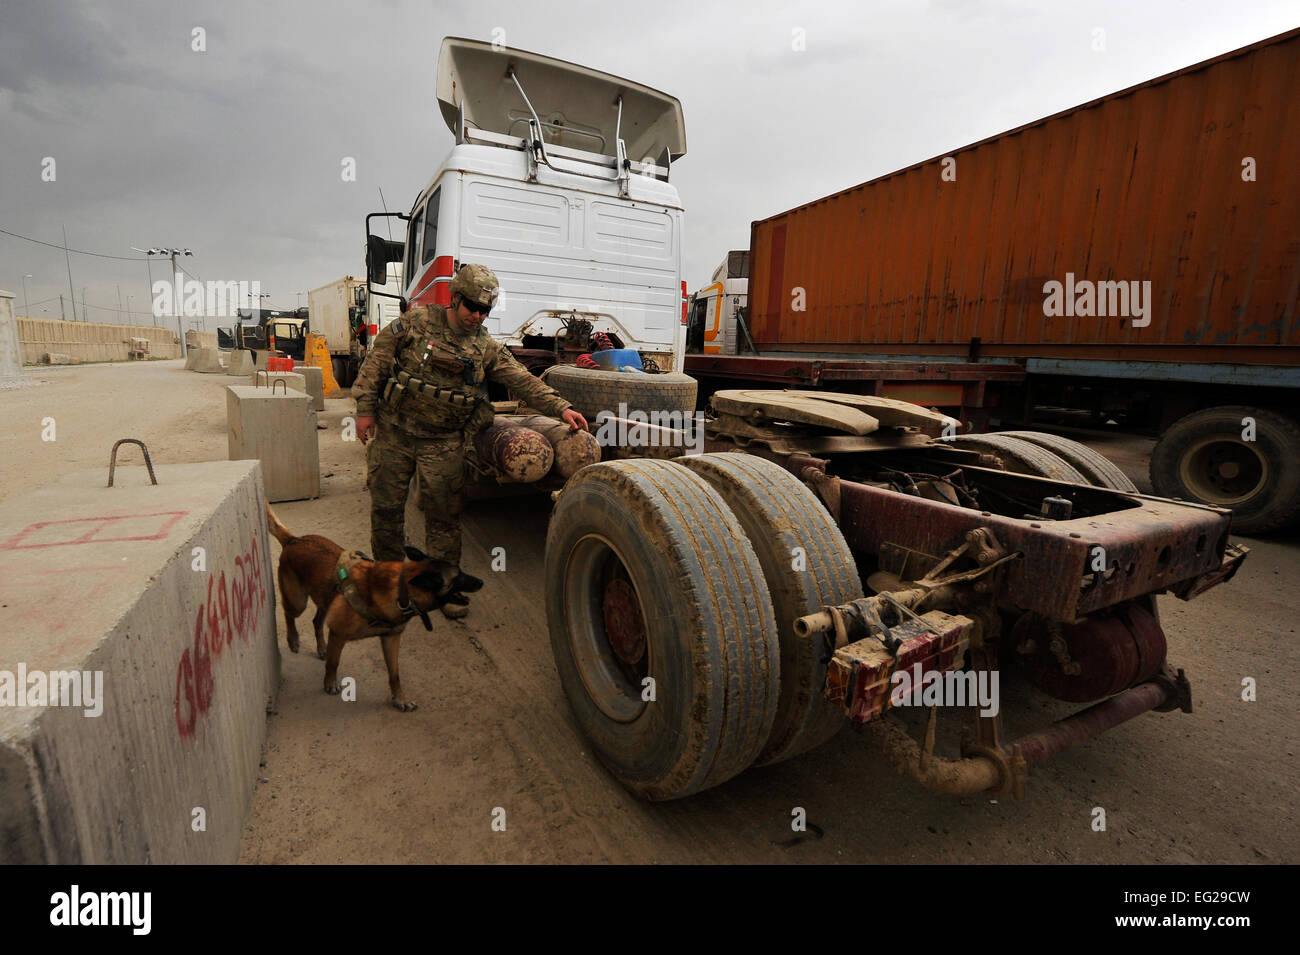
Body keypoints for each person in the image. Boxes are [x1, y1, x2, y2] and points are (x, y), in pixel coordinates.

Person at [351, 264, 588, 617]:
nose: (477, 316)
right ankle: (387, 585)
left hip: (443, 442)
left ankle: (441, 589)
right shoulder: (414, 324)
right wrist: (365, 411)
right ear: (455, 298)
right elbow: (376, 364)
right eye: (471, 307)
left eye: (484, 310)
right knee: (386, 511)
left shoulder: (485, 347)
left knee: (444, 519)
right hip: (394, 434)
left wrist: (562, 408)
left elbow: (523, 380)